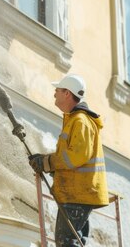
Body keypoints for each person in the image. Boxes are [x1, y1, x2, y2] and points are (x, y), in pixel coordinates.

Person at [29, 74, 109, 246]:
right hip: (77, 194)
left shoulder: (80, 121)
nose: (54, 94)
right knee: (70, 242)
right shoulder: (76, 120)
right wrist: (47, 162)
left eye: (57, 90)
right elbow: (71, 158)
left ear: (67, 93)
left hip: (77, 195)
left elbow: (74, 158)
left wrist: (46, 163)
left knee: (67, 243)